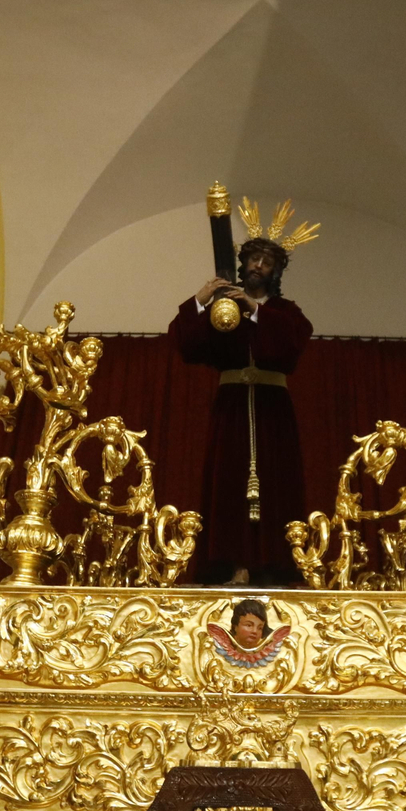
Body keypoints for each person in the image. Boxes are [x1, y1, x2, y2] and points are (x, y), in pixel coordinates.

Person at [170, 220, 314, 586]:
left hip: (272, 410)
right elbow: (186, 344)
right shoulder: (223, 308)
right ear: (242, 264)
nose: (258, 266)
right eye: (253, 259)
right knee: (228, 482)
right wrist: (202, 300)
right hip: (232, 408)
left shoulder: (284, 311)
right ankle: (229, 564)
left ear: (275, 271)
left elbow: (294, 343)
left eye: (266, 261)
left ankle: (273, 565)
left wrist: (253, 308)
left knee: (275, 482)